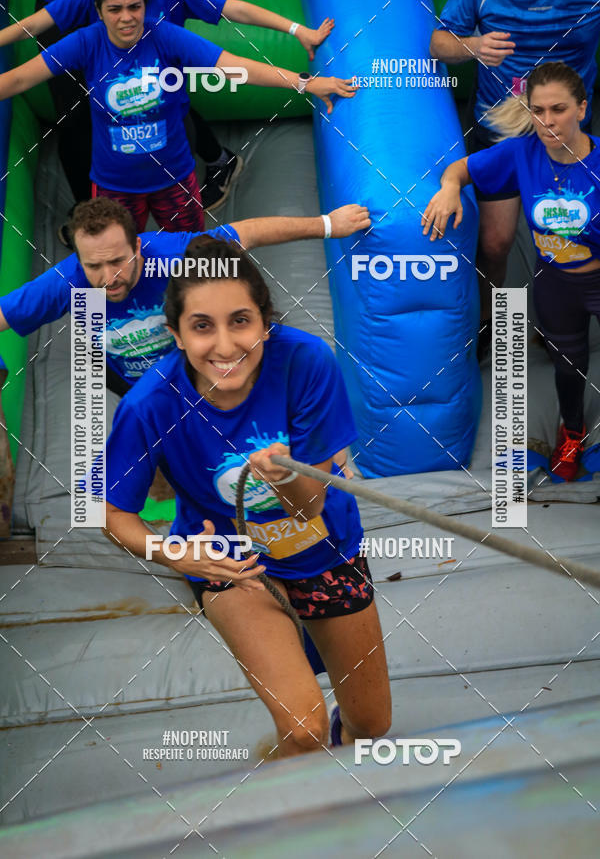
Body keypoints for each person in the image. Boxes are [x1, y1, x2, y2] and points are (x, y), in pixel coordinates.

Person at [102, 236, 391, 756]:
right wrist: (173, 552)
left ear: (265, 321)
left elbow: (308, 507)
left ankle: (343, 742)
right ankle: (284, 810)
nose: (226, 347)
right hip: (231, 565)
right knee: (302, 730)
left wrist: (282, 476)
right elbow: (111, 510)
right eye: (201, 327)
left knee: (372, 726)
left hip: (325, 551)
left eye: (241, 321)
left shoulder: (306, 362)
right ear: (175, 334)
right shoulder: (149, 404)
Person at [0, 0, 355, 233]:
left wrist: (305, 83)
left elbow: (237, 67)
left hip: (174, 180)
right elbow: (17, 78)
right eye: (114, 9)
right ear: (97, 8)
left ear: (145, 1)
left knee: (191, 264)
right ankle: (109, 326)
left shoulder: (165, 36)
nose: (126, 18)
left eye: (135, 7)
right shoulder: (85, 43)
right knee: (113, 266)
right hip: (114, 187)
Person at [0, 196, 370, 403]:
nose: (108, 276)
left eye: (118, 261)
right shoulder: (69, 282)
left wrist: (328, 225)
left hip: (194, 369)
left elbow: (248, 233)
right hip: (131, 378)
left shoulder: (174, 255)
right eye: (94, 265)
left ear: (138, 247)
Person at [421, 61, 599, 481]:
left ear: (582, 109)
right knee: (568, 366)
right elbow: (460, 169)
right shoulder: (522, 153)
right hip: (556, 285)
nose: (548, 120)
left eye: (558, 109)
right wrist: (449, 190)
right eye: (539, 111)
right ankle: (572, 433)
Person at [429, 0, 600, 355]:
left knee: (572, 231)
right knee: (495, 242)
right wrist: (473, 46)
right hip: (501, 125)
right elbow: (438, 43)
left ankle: (560, 321)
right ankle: (493, 320)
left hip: (568, 130)